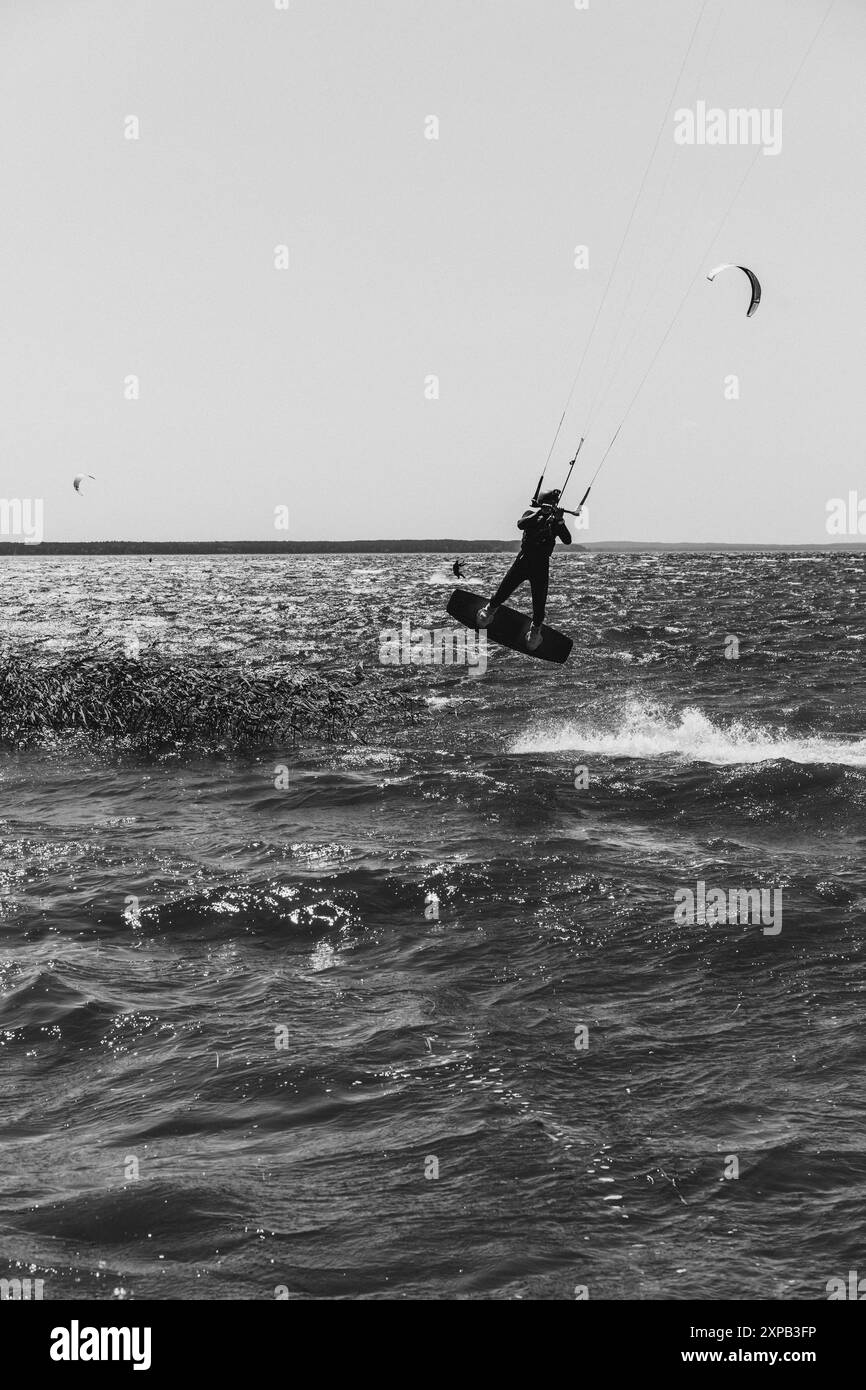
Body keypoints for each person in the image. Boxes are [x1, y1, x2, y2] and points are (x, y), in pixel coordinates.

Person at [476, 489, 571, 650]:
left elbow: (567, 540)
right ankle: (489, 611)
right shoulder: (530, 514)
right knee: (503, 591)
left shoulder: (555, 521)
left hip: (541, 566)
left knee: (539, 604)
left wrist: (560, 521)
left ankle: (535, 632)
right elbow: (521, 524)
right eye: (549, 504)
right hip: (523, 561)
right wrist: (541, 512)